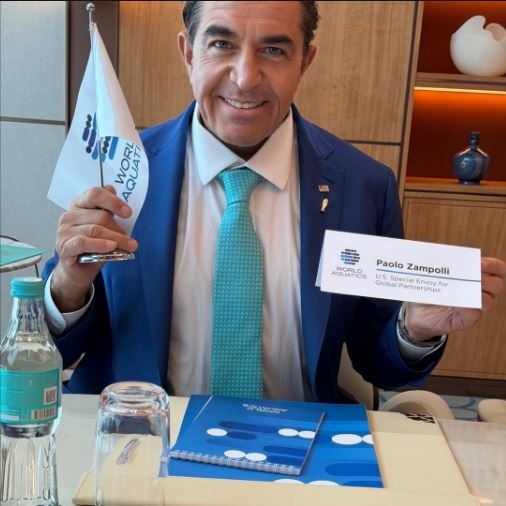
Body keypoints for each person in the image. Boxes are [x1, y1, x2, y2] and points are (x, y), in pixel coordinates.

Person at [42, 1, 506, 401]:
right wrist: (68, 284)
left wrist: (415, 329)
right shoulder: (120, 170)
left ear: (305, 61)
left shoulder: (363, 186)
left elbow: (378, 362)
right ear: (188, 53)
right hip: (141, 442)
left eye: (274, 50)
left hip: (296, 447)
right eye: (221, 44)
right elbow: (53, 351)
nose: (245, 78)